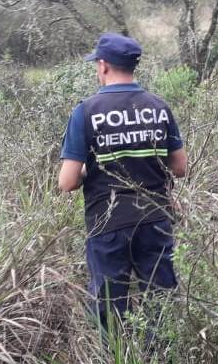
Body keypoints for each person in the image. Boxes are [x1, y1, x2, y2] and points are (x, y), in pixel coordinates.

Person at [58, 33, 187, 332]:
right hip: (155, 218)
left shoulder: (86, 111)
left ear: (103, 66)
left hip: (108, 223)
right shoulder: (158, 106)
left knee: (109, 303)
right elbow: (180, 168)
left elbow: (67, 182)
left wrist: (91, 171)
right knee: (160, 299)